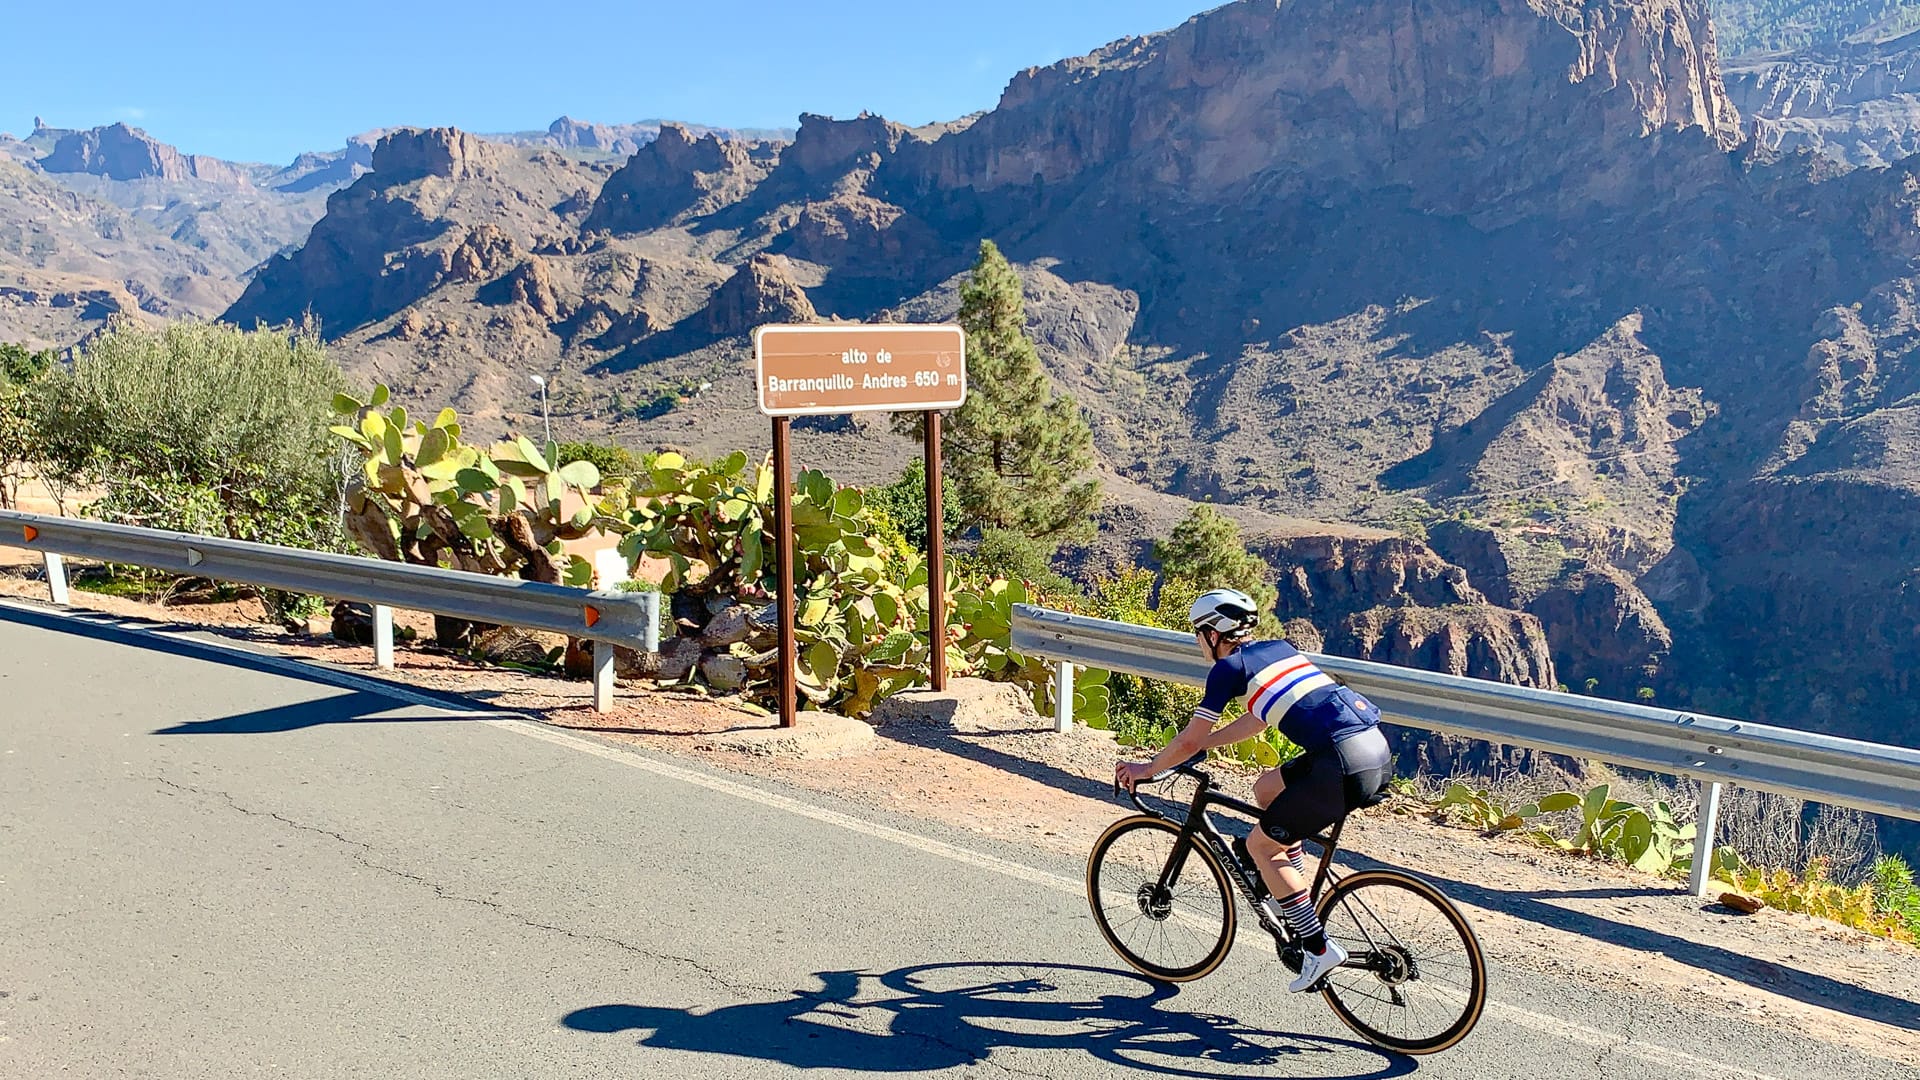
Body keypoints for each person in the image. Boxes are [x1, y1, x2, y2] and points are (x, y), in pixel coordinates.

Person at [1114, 588, 1393, 993]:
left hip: (1339, 763)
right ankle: (1293, 896)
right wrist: (1205, 746)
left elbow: (1189, 740)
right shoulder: (1278, 648)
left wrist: (1148, 768)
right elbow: (1258, 720)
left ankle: (1317, 949)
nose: (1197, 641)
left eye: (1198, 633)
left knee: (1262, 848)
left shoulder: (1227, 670)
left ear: (1213, 634)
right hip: (1370, 749)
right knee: (1265, 789)